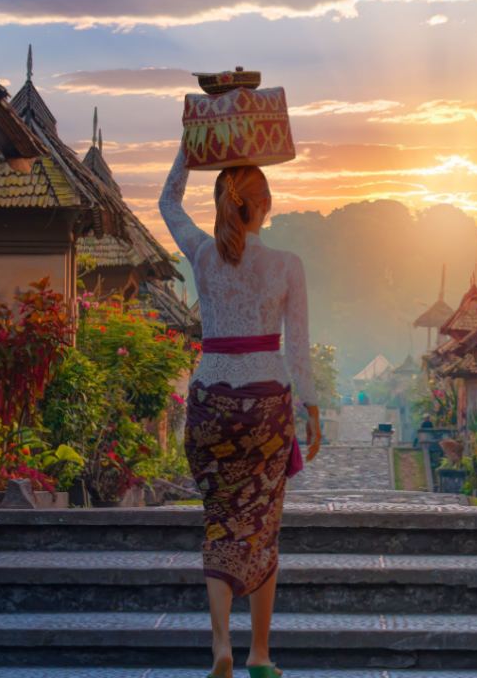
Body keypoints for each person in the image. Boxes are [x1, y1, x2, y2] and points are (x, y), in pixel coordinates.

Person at [159, 146, 321, 678]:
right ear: (265, 203)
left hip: (210, 404)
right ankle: (259, 654)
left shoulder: (203, 254)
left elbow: (167, 202)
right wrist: (312, 407)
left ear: (223, 204)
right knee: (262, 527)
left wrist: (189, 148)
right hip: (267, 409)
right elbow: (297, 347)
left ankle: (221, 646)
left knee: (221, 524)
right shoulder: (286, 265)